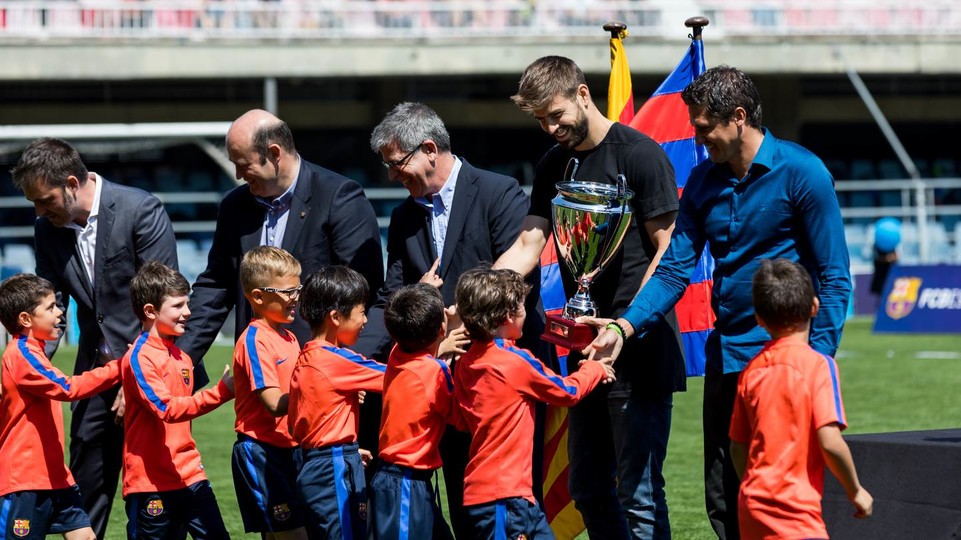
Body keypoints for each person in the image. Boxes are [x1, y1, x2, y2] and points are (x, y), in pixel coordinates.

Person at [586, 66, 853, 539]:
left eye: (704, 126)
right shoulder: (703, 182)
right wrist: (623, 328)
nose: (696, 135)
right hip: (726, 359)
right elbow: (672, 269)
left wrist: (817, 358)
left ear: (738, 117)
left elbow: (834, 279)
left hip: (790, 364)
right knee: (723, 498)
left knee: (789, 494)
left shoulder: (804, 173)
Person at [494, 55, 685, 538]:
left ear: (583, 95)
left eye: (555, 115)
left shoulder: (641, 154)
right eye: (540, 119)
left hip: (635, 347)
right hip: (582, 347)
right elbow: (529, 243)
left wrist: (629, 323)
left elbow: (669, 250)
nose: (549, 127)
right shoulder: (553, 163)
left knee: (638, 494)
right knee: (588, 488)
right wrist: (475, 298)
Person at [359, 101, 541, 536]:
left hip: (490, 382)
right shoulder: (404, 216)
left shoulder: (499, 192)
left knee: (494, 508)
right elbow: (392, 295)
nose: (391, 176)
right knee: (450, 507)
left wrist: (462, 316)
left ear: (428, 149)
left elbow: (515, 282)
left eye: (395, 163)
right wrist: (356, 360)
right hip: (432, 377)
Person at [10, 137, 181, 539]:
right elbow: (46, 306)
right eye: (33, 202)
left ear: (72, 182)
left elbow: (164, 301)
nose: (38, 210)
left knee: (164, 494)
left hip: (152, 375)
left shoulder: (141, 209)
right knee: (85, 494)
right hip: (92, 377)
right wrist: (31, 362)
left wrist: (137, 376)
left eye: (45, 199)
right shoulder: (46, 229)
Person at [179, 109, 384, 368]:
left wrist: (350, 367)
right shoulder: (234, 206)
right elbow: (216, 287)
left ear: (275, 153)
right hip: (255, 375)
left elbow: (362, 294)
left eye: (243, 164)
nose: (239, 175)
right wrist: (179, 361)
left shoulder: (338, 198)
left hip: (318, 372)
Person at [450, 267, 614, 539]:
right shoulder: (515, 361)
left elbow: (460, 419)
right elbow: (567, 391)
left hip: (500, 495)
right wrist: (594, 368)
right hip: (505, 498)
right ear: (507, 316)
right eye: (523, 306)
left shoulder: (466, 363)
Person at [730, 258, 873, 538]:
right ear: (815, 307)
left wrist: (753, 486)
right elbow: (830, 442)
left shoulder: (751, 370)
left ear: (759, 319)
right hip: (795, 511)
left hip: (751, 505)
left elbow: (737, 447)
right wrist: (856, 490)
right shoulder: (819, 366)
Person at [0, 274, 121, 540]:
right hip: (25, 480)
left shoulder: (35, 351)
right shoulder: (21, 354)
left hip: (55, 475)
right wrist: (119, 367)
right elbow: (68, 388)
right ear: (25, 319)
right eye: (51, 307)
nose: (59, 314)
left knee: (86, 536)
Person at [121, 261, 235, 539]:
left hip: (190, 475)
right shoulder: (140, 357)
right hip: (150, 483)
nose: (188, 312)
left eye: (188, 304)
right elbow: (167, 408)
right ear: (150, 311)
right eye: (178, 306)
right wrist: (222, 391)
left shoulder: (182, 357)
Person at [287, 266, 386, 539]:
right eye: (362, 311)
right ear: (335, 317)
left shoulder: (307, 355)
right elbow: (398, 377)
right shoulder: (337, 359)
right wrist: (439, 349)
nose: (366, 320)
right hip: (332, 467)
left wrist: (349, 452)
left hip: (320, 462)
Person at [230, 246, 307, 539]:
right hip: (262, 452)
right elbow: (274, 403)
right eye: (287, 291)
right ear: (259, 296)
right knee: (295, 534)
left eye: (297, 288)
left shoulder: (289, 336)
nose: (295, 297)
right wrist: (317, 394)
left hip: (290, 448)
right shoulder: (255, 340)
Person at [368, 283, 455, 539]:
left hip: (396, 479)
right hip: (405, 481)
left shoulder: (396, 353)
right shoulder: (436, 372)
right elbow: (457, 414)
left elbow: (418, 351)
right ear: (441, 328)